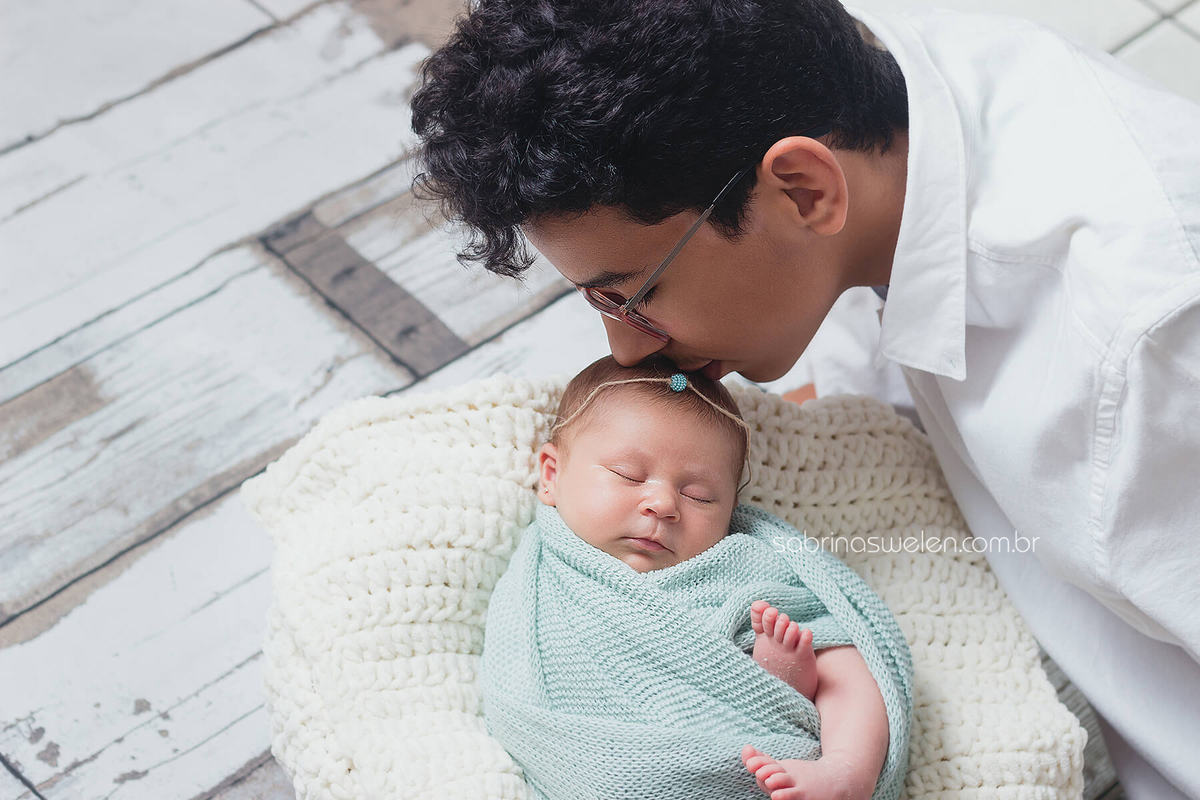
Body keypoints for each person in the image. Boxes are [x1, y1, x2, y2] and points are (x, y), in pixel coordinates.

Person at [410, 1, 1200, 797]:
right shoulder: (833, 80)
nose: (626, 350)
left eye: (632, 295)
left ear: (803, 189)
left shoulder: (1143, 352)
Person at [481, 354, 906, 800]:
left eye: (699, 496)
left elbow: (843, 635)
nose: (663, 503)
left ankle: (847, 768)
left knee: (842, 659)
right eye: (629, 475)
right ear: (552, 475)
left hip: (772, 763)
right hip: (605, 767)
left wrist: (784, 685)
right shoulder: (538, 581)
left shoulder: (740, 563)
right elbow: (519, 697)